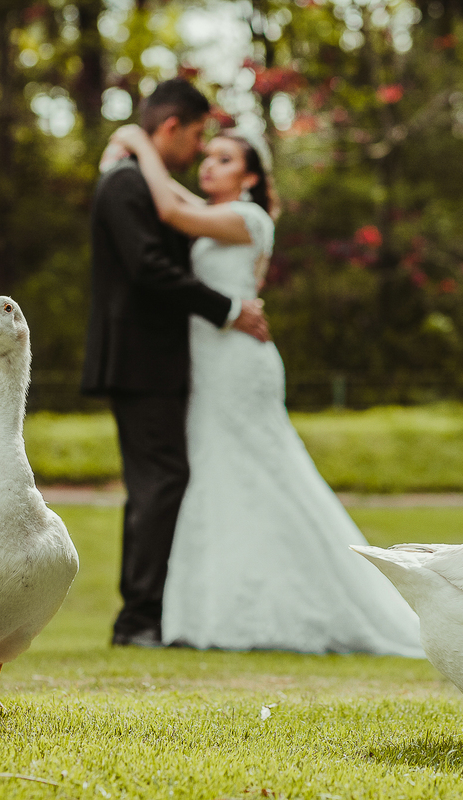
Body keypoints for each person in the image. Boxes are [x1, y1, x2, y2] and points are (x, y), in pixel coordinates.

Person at [105, 121, 424, 658]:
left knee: (259, 473)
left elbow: (171, 211)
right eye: (207, 157)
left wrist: (137, 143)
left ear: (251, 176)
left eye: (225, 159)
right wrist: (137, 163)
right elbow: (179, 198)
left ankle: (292, 607)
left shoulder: (247, 218)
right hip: (209, 365)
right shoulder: (219, 214)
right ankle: (218, 609)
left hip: (237, 364)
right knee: (217, 475)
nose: (209, 165)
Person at [82, 79, 270, 648]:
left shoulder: (142, 181)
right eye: (194, 137)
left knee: (163, 482)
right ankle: (138, 620)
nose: (196, 153)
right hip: (141, 360)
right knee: (159, 484)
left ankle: (158, 613)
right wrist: (229, 310)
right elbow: (148, 269)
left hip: (165, 361)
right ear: (169, 128)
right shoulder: (126, 184)